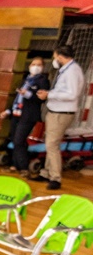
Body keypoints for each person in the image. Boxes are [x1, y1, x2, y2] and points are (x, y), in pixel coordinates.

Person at [35, 45, 83, 190]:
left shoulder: (73, 71)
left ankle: (55, 178)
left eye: (55, 57)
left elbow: (72, 94)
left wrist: (50, 94)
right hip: (55, 112)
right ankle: (46, 173)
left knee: (52, 145)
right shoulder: (66, 70)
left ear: (61, 57)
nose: (55, 60)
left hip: (61, 114)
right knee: (50, 143)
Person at [2, 57, 50, 174]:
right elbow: (17, 98)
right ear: (29, 66)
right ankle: (14, 164)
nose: (35, 67)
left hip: (28, 115)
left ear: (43, 67)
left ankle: (24, 167)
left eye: (39, 65)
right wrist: (8, 111)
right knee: (15, 140)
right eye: (33, 64)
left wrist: (28, 94)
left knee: (19, 140)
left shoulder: (43, 81)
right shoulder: (25, 80)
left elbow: (40, 99)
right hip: (16, 113)